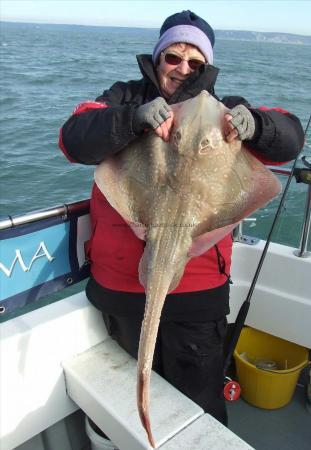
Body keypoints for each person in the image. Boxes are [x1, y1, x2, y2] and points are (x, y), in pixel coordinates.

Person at [59, 10, 304, 426]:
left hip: (196, 294)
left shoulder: (226, 110)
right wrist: (133, 120)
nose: (183, 68)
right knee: (126, 398)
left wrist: (257, 125)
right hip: (119, 288)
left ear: (207, 67)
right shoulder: (125, 98)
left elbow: (290, 137)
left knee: (198, 409)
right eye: (173, 57)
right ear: (157, 57)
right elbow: (74, 138)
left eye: (196, 63)